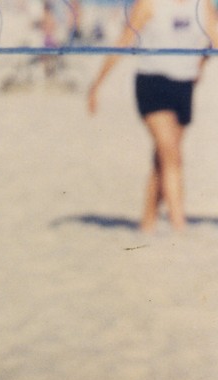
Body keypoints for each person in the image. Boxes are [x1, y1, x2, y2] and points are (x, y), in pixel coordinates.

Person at [88, 0, 218, 233]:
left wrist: (202, 62)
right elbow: (124, 41)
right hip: (153, 82)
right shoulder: (150, 3)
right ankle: (179, 226)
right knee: (172, 155)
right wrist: (97, 83)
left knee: (164, 159)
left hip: (184, 86)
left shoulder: (201, 4)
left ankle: (147, 222)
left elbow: (215, 37)